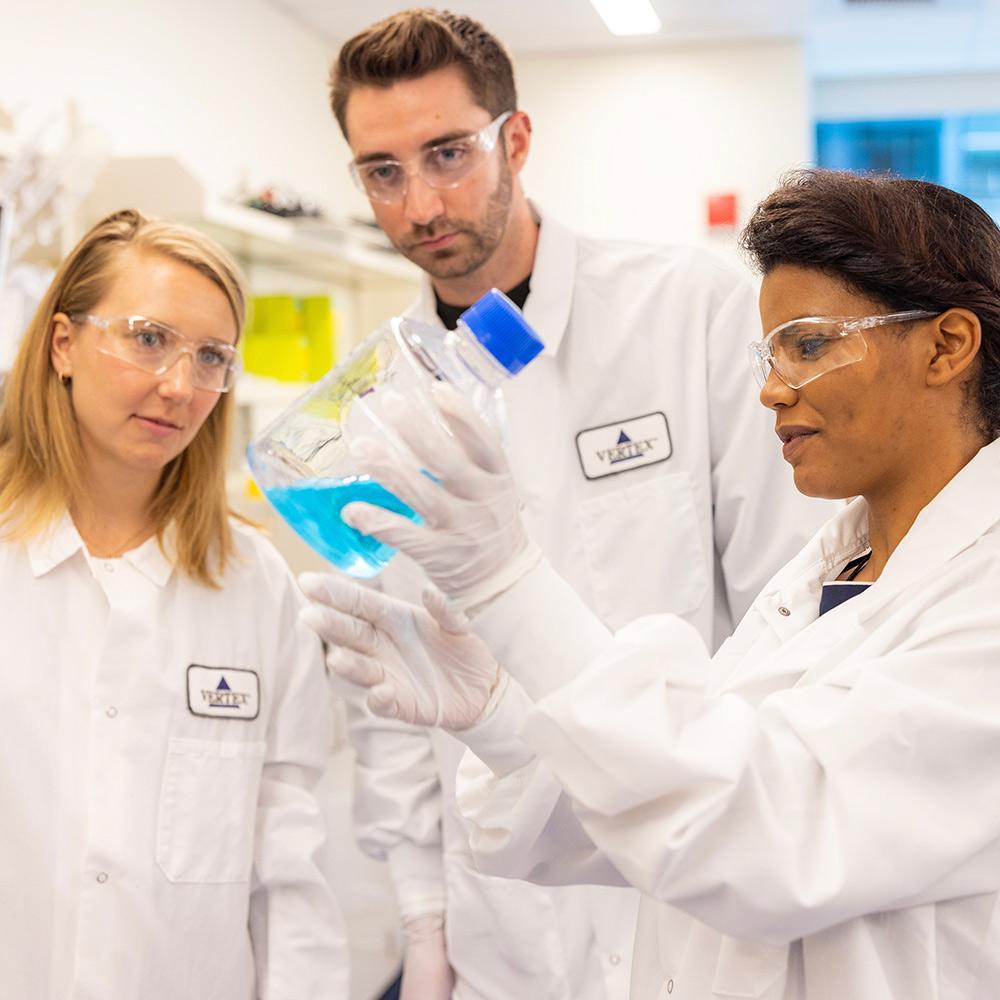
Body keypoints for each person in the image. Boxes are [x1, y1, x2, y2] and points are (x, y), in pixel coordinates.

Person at [301, 168, 1000, 998]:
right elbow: (659, 798)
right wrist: (503, 720)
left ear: (947, 347)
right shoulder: (827, 573)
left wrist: (506, 586)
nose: (773, 388)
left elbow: (763, 836)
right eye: (770, 352)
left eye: (808, 343)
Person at [325, 9, 834, 1000]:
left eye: (445, 154)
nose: (420, 201)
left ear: (515, 140)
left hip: (690, 901)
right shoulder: (372, 400)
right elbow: (395, 695)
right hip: (500, 926)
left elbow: (789, 609)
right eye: (382, 171)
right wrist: (424, 926)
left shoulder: (687, 310)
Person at [0, 209, 348, 999]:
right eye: (149, 338)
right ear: (63, 344)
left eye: (211, 357)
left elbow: (288, 873)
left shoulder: (255, 586)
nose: (179, 386)